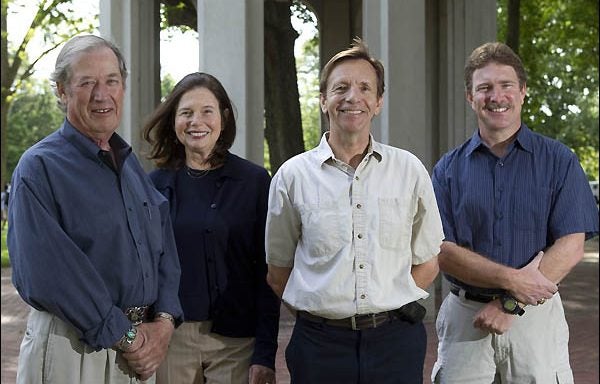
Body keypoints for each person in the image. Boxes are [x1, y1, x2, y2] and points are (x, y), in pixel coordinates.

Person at [265, 38, 444, 384]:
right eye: (341, 87)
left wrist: (387, 299)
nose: (352, 97)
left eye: (365, 88)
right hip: (319, 348)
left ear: (378, 102)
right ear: (323, 100)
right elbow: (278, 273)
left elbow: (428, 260)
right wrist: (324, 310)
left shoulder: (409, 170)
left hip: (396, 344)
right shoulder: (292, 177)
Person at [7, 35, 183, 384]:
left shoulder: (131, 168)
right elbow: (50, 272)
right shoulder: (39, 168)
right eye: (87, 83)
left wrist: (164, 322)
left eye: (111, 81)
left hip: (136, 350)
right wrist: (128, 337)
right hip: (72, 347)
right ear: (61, 91)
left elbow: (164, 249)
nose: (101, 94)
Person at [431, 42, 599, 383]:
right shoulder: (447, 169)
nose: (497, 96)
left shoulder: (558, 160)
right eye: (484, 88)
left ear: (522, 92)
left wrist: (510, 302)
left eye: (506, 85)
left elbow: (571, 246)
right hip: (465, 318)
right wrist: (512, 282)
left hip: (536, 320)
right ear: (470, 97)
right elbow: (441, 250)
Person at [143, 72, 280, 384]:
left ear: (223, 117)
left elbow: (268, 273)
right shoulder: (151, 186)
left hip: (236, 343)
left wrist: (265, 353)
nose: (197, 122)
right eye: (186, 113)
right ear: (173, 121)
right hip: (172, 339)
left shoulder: (255, 182)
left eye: (207, 111)